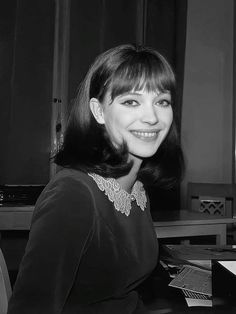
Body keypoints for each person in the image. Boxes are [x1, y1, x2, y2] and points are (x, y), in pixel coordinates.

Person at [8, 44, 184, 314]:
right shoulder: (73, 194)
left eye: (162, 101)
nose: (152, 117)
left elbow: (123, 296)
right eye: (130, 101)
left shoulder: (136, 189)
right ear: (99, 111)